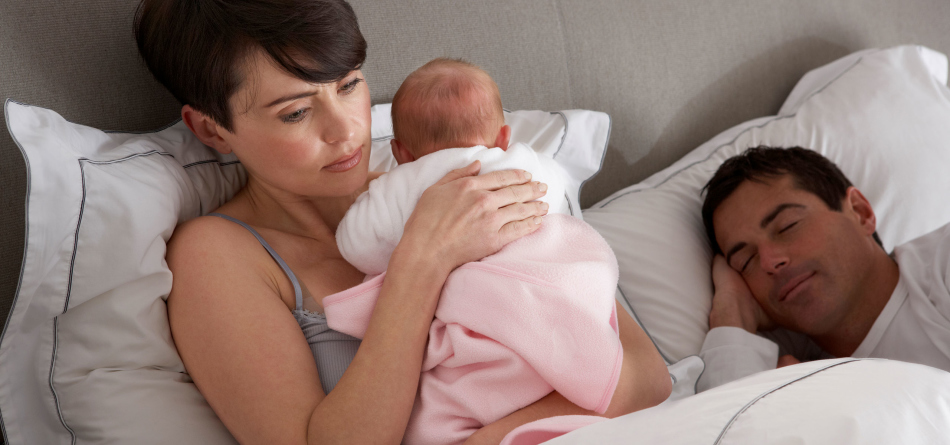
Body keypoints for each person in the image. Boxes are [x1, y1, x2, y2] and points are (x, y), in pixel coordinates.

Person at [134, 1, 671, 444]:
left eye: (349, 86)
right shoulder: (217, 254)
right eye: (296, 112)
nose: (347, 131)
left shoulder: (449, 178)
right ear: (211, 130)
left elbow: (646, 377)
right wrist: (423, 259)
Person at [330, 58, 639, 445]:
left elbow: (356, 246)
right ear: (504, 137)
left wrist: (369, 195)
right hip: (553, 307)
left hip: (481, 325)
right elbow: (558, 203)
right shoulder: (528, 165)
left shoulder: (401, 185)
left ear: (400, 152)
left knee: (444, 406)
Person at [696, 146, 950, 392]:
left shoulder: (941, 263)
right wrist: (732, 314)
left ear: (860, 212)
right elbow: (727, 429)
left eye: (787, 226)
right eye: (746, 261)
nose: (769, 262)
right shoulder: (796, 382)